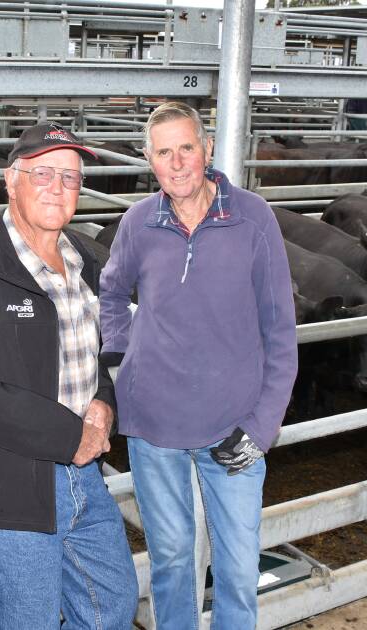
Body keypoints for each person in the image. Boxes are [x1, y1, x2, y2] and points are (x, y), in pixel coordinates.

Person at [0, 122, 138, 629]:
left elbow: (105, 350)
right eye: (42, 173)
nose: (57, 187)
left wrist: (105, 402)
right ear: (10, 179)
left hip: (83, 478)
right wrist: (71, 436)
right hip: (7, 487)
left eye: (70, 177)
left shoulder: (88, 259)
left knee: (111, 604)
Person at [98, 101, 297, 629]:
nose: (178, 161)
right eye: (164, 152)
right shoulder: (138, 222)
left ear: (207, 149)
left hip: (234, 429)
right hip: (153, 427)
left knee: (237, 567)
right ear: (149, 160)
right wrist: (120, 356)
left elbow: (281, 335)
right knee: (172, 561)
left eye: (187, 147)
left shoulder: (254, 219)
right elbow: (111, 292)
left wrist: (261, 427)